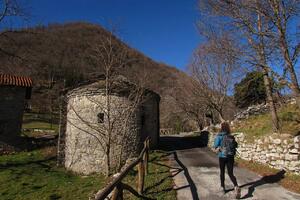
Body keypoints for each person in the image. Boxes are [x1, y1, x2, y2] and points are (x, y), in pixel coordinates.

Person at [213, 121, 241, 199]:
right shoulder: (231, 136)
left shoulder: (219, 136)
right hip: (230, 156)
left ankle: (223, 188)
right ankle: (236, 186)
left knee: (222, 172)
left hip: (222, 156)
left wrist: (217, 148)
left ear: (221, 128)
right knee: (230, 173)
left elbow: (215, 145)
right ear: (228, 128)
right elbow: (236, 145)